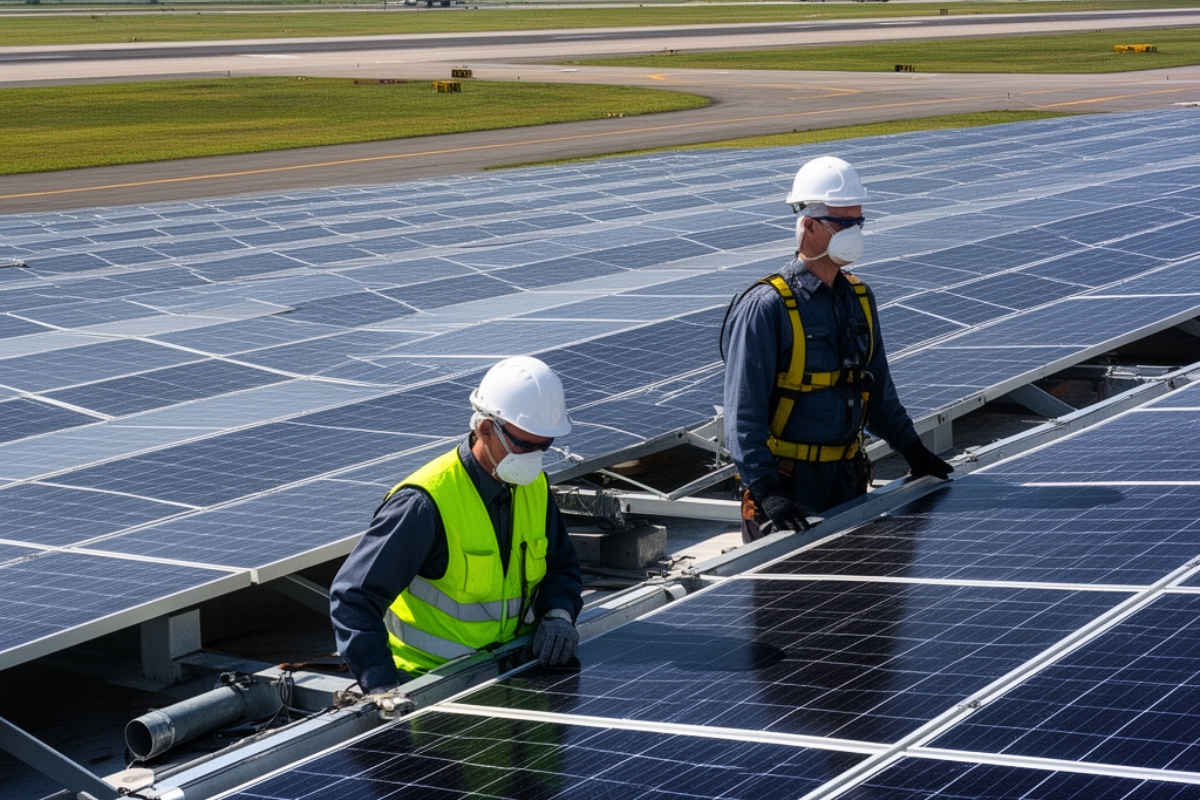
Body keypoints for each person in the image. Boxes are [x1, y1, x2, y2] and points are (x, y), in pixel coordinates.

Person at [722, 156, 952, 542]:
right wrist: (768, 490)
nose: (854, 233)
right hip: (790, 485)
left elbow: (878, 391)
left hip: (847, 480)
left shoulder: (859, 297)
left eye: (858, 222)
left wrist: (913, 449)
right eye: (843, 224)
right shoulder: (768, 306)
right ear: (808, 226)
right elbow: (743, 415)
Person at [330, 356, 584, 693]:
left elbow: (562, 566)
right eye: (525, 445)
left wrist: (558, 613)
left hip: (514, 672)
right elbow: (353, 597)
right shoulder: (426, 502)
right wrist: (382, 687)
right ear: (485, 430)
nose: (533, 458)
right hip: (432, 686)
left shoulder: (535, 488)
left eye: (544, 446)